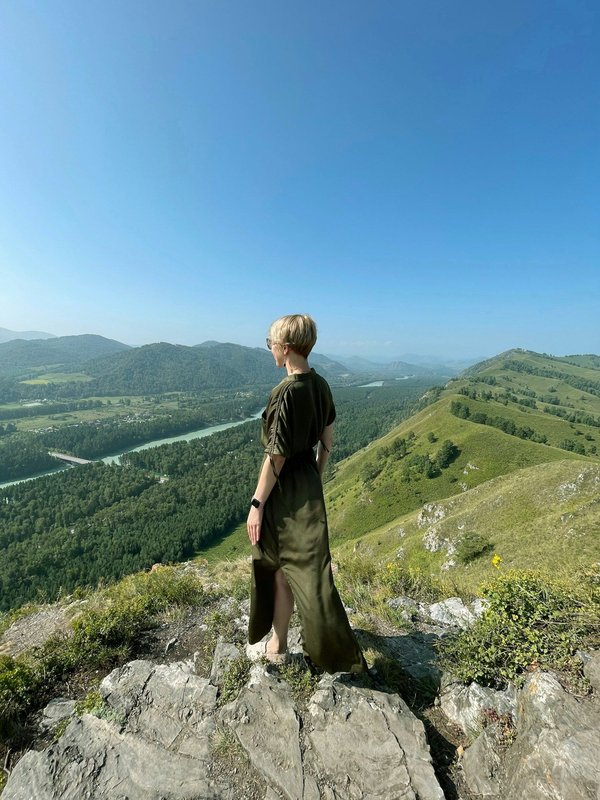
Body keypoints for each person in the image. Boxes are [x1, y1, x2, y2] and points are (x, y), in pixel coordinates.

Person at [247, 314, 366, 673]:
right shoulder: (321, 385)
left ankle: (281, 642)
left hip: (283, 491)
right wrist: (314, 475)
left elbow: (276, 457)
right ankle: (302, 641)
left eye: (271, 344)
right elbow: (327, 441)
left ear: (284, 348)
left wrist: (257, 503)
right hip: (309, 487)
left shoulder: (285, 392)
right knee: (310, 569)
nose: (270, 349)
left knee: (279, 566)